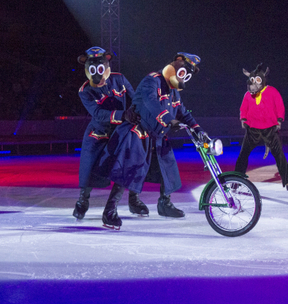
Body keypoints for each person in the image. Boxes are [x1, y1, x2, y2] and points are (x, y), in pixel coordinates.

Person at [96, 52, 208, 227]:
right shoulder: (152, 80)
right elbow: (151, 103)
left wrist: (198, 129)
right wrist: (168, 119)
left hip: (157, 135)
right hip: (138, 132)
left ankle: (164, 203)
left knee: (167, 167)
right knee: (129, 168)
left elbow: (183, 113)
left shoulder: (173, 92)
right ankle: (109, 210)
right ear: (176, 63)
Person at [74, 47, 149, 228]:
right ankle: (83, 200)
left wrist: (144, 113)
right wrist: (124, 114)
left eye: (100, 69)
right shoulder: (85, 91)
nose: (97, 75)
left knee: (129, 162)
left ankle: (129, 200)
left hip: (121, 132)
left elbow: (135, 98)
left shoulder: (119, 79)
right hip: (99, 134)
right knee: (89, 169)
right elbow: (98, 113)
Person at [235, 63, 288, 192]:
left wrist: (279, 120)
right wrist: (243, 119)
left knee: (279, 155)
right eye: (252, 80)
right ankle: (236, 181)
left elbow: (280, 106)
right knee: (243, 155)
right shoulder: (247, 95)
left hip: (270, 130)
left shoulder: (272, 91)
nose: (254, 84)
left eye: (257, 80)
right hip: (253, 130)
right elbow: (243, 108)